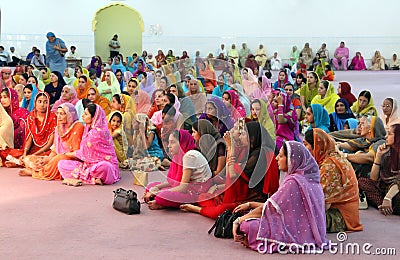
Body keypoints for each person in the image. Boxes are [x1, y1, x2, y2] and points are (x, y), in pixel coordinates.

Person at [233, 141, 327, 253]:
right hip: (306, 231)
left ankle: (257, 241)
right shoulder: (308, 178)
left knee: (248, 225)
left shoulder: (293, 182)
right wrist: (250, 205)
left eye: (281, 155)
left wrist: (238, 221)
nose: (277, 158)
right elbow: (276, 205)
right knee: (250, 215)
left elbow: (270, 207)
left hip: (295, 232)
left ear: (292, 160)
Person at [181, 121, 279, 218]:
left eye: (242, 134)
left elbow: (231, 174)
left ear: (252, 138)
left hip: (254, 199)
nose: (239, 136)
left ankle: (196, 209)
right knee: (203, 197)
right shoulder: (248, 149)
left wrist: (230, 146)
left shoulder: (260, 154)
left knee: (221, 210)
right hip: (240, 192)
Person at [304, 129, 363, 232]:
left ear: (317, 146)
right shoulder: (328, 158)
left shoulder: (330, 167)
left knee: (296, 218)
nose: (304, 149)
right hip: (338, 210)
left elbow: (322, 204)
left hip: (340, 216)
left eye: (306, 145)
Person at [143, 130, 213, 209]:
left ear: (182, 143)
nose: (169, 146)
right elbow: (173, 182)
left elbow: (182, 188)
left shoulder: (189, 156)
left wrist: (156, 193)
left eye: (172, 142)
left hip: (196, 192)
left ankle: (161, 202)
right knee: (150, 186)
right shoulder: (178, 155)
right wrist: (156, 188)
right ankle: (161, 200)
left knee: (161, 196)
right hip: (188, 187)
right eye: (169, 142)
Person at [58, 104, 120, 186]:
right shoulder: (88, 128)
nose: (83, 116)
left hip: (101, 166)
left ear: (94, 117)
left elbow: (83, 154)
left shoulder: (99, 132)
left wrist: (67, 154)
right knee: (62, 164)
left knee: (105, 167)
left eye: (86, 114)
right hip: (87, 165)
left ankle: (89, 177)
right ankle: (94, 178)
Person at [18, 103, 84, 180]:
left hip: (70, 159)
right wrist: (47, 159)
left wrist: (52, 159)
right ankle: (44, 167)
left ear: (70, 115)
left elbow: (77, 153)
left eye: (62, 114)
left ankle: (36, 172)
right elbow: (55, 149)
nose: (58, 117)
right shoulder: (58, 128)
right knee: (29, 158)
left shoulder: (78, 127)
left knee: (60, 159)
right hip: (57, 157)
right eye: (58, 113)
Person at [1, 92, 56, 167]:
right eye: (39, 101)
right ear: (35, 103)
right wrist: (25, 153)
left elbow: (50, 143)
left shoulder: (53, 117)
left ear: (49, 103)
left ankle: (20, 163)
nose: (42, 105)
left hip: (46, 150)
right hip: (33, 149)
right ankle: (22, 161)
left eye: (45, 102)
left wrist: (34, 155)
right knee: (8, 152)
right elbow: (29, 138)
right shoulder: (31, 116)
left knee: (46, 160)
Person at [358, 124, 400, 215]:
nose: (386, 137)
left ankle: (386, 204)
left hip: (395, 192)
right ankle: (385, 206)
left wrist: (388, 197)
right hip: (385, 189)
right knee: (363, 182)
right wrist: (378, 156)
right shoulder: (388, 153)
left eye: (389, 134)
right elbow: (373, 179)